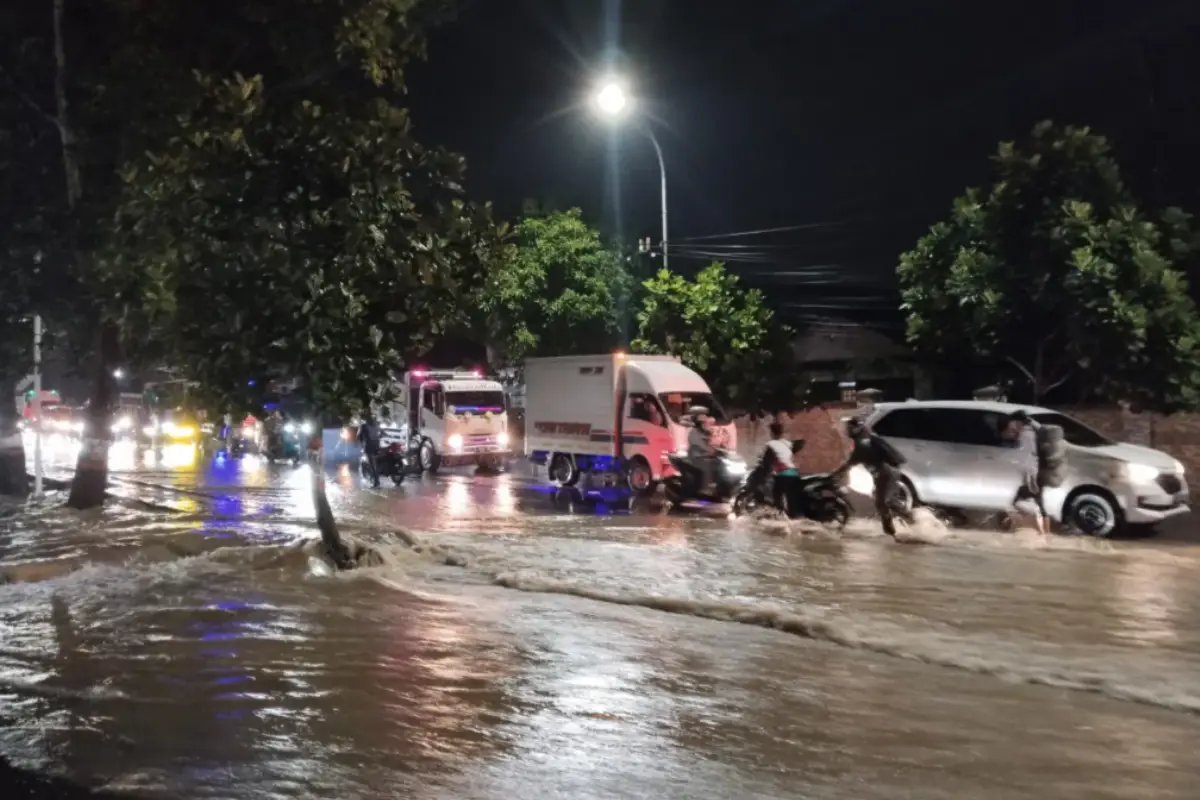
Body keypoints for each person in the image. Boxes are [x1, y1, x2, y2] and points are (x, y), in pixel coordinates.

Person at [838, 416, 911, 537]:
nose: (847, 430)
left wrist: (840, 471)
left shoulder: (864, 441)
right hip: (885, 473)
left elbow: (856, 458)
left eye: (849, 427)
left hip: (887, 472)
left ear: (857, 427)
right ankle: (912, 520)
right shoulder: (864, 438)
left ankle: (892, 533)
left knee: (882, 503)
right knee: (889, 501)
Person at [1004, 410, 1048, 534]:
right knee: (1021, 502)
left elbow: (1027, 455)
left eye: (1012, 422)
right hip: (1031, 472)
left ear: (1018, 422)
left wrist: (1028, 475)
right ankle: (1039, 531)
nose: (1011, 425)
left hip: (1030, 473)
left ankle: (1042, 533)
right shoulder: (1030, 432)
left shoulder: (1026, 435)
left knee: (1036, 505)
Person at [762, 421, 800, 515]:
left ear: (771, 432)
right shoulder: (788, 443)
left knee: (776, 496)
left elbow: (766, 461)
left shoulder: (771, 444)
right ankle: (793, 516)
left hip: (783, 474)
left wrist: (765, 469)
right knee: (792, 500)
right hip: (794, 474)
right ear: (782, 432)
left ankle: (779, 514)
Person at [686, 406, 715, 491]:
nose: (705, 417)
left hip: (703, 455)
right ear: (696, 418)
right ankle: (705, 489)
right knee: (707, 466)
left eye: (705, 415)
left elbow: (711, 442)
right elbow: (699, 444)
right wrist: (708, 449)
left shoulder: (704, 430)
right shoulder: (693, 431)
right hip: (696, 456)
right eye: (702, 415)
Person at [357, 412, 382, 488]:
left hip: (369, 446)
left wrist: (361, 442)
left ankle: (376, 482)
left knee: (372, 464)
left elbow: (359, 436)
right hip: (376, 446)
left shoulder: (363, 426)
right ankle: (376, 479)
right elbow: (381, 434)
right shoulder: (376, 424)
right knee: (375, 464)